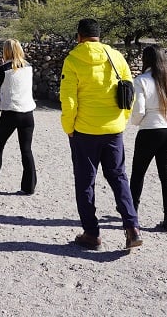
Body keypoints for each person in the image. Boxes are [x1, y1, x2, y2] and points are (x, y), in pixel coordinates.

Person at [60, 18, 142, 251]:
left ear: (79, 37)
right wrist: (121, 121)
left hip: (84, 131)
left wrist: (69, 128)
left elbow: (69, 100)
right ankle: (132, 227)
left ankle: (91, 233)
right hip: (113, 130)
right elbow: (129, 93)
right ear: (99, 35)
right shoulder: (116, 56)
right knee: (118, 177)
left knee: (85, 182)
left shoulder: (73, 59)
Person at [129, 45, 167, 233]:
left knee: (138, 174)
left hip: (149, 130)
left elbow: (138, 110)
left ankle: (132, 215)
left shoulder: (141, 81)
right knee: (166, 176)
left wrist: (137, 122)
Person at [0, 39, 37, 195]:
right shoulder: (29, 67)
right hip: (27, 112)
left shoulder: (4, 68)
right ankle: (29, 186)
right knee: (26, 150)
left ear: (6, 51)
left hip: (10, 112)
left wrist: (1, 65)